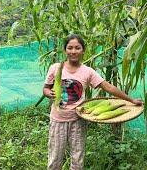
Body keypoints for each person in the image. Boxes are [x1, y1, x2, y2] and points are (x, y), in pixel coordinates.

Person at [43, 34, 143, 170]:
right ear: (65, 50)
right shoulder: (56, 68)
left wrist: (130, 99)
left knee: (77, 160)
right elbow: (46, 88)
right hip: (57, 120)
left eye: (77, 48)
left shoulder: (87, 72)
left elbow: (108, 87)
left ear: (83, 50)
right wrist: (49, 93)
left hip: (78, 120)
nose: (73, 51)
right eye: (70, 48)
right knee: (55, 159)